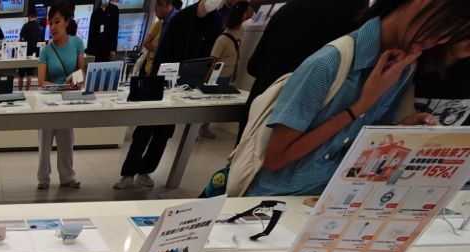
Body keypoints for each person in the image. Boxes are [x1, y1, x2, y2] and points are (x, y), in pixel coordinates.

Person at [242, 0, 470, 197]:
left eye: (450, 32)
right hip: (277, 201)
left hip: (337, 199)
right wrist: (361, 106)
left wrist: (401, 128)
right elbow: (276, 158)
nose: (441, 39)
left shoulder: (403, 69)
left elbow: (363, 145)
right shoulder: (328, 63)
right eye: (443, 23)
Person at [114, 0, 241, 189]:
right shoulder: (180, 18)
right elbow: (162, 52)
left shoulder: (215, 22)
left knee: (163, 133)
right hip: (159, 82)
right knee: (144, 130)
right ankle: (128, 173)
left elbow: (208, 56)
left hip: (185, 85)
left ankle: (145, 171)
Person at [37, 2, 85, 189]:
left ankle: (67, 177)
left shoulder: (77, 43)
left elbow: (81, 73)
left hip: (68, 100)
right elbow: (42, 81)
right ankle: (43, 179)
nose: (53, 27)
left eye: (57, 22)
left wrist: (76, 81)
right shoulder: (46, 51)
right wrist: (62, 86)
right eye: (51, 23)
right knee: (44, 142)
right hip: (48, 100)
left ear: (67, 22)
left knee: (66, 141)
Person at [199, 0, 252, 137]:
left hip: (227, 73)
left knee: (215, 103)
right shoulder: (222, 38)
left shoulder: (241, 31)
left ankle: (204, 128)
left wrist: (235, 69)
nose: (250, 13)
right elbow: (213, 60)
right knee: (207, 103)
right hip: (217, 75)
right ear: (242, 13)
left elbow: (237, 51)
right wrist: (205, 79)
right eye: (247, 11)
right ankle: (195, 130)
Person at [19, 9, 43, 89]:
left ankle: (19, 91)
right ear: (35, 17)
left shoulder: (25, 26)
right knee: (29, 75)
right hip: (33, 53)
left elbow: (21, 37)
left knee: (20, 75)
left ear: (29, 17)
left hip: (23, 53)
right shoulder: (38, 27)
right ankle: (27, 92)